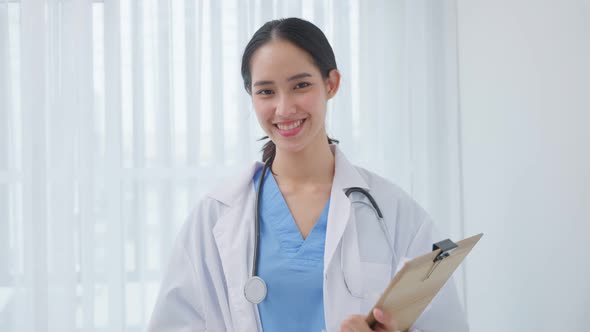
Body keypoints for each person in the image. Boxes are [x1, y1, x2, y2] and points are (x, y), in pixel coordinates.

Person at [147, 17, 468, 332]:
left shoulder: (394, 210)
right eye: (266, 92)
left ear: (331, 84)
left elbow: (446, 322)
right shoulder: (217, 214)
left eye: (301, 85)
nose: (285, 108)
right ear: (251, 97)